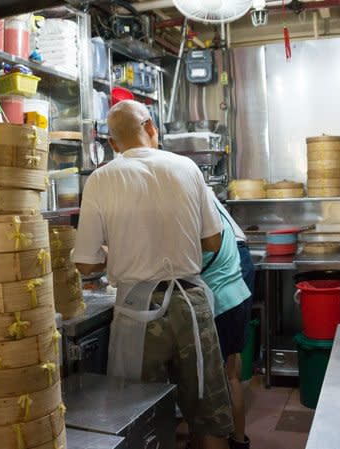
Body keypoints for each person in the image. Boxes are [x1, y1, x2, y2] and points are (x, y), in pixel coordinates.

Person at [73, 100, 234, 449]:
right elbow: (213, 239)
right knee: (208, 416)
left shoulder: (102, 179)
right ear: (151, 129)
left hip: (138, 312)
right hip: (191, 303)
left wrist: (112, 255)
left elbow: (83, 264)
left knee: (141, 415)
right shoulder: (187, 168)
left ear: (113, 144)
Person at [200, 189, 252, 449]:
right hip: (236, 288)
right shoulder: (201, 193)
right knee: (231, 371)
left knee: (218, 380)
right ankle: (239, 441)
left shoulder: (186, 205)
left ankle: (222, 440)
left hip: (221, 298)